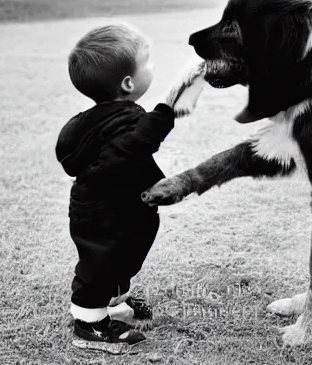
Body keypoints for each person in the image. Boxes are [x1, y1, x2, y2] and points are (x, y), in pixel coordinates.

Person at [55, 23, 205, 345]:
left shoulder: (107, 117)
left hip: (122, 209)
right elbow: (144, 138)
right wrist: (171, 99)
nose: (153, 67)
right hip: (101, 215)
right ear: (128, 83)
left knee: (124, 256)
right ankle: (89, 322)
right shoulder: (122, 123)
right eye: (147, 63)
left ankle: (115, 303)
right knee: (100, 264)